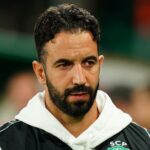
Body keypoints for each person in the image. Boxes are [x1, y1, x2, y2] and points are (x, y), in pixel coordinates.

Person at [0, 3, 149, 150]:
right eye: (64, 65)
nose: (79, 79)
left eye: (89, 63)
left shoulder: (142, 142)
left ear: (100, 65)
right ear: (40, 73)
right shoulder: (7, 143)